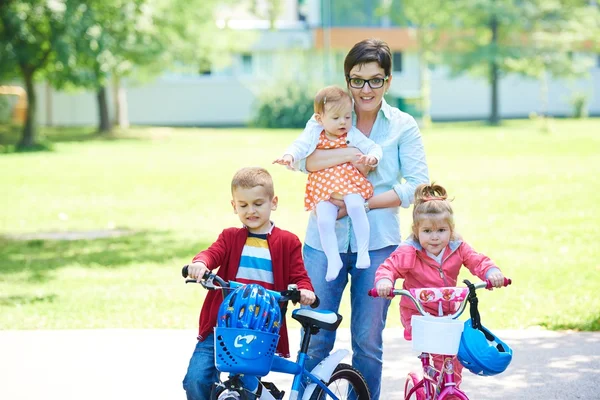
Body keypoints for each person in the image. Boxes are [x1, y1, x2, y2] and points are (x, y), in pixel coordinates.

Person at [296, 38, 430, 400]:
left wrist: (363, 204)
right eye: (357, 79)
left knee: (368, 342)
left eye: (375, 79)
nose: (365, 89)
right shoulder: (329, 114)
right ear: (347, 80)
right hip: (324, 245)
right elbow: (302, 160)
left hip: (378, 244)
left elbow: (417, 186)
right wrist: (351, 152)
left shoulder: (402, 125)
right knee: (315, 337)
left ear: (388, 81)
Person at [182, 166, 316, 400]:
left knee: (245, 387)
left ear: (273, 202)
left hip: (260, 328)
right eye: (243, 205)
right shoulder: (230, 237)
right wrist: (200, 264)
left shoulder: (287, 241)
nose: (251, 211)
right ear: (234, 206)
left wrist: (305, 291)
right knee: (196, 378)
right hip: (222, 327)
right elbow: (212, 253)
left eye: (258, 203)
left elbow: (299, 276)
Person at [374, 183, 506, 395]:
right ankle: (436, 388)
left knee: (456, 357)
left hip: (449, 313)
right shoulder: (409, 251)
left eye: (441, 231)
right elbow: (389, 267)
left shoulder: (457, 247)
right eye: (427, 231)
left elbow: (477, 261)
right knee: (437, 355)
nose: (434, 237)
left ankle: (450, 391)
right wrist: (385, 282)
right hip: (419, 313)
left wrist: (491, 273)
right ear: (416, 231)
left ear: (451, 230)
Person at [273, 85, 382, 282]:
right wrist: (289, 156)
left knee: (356, 206)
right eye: (336, 118)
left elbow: (372, 146)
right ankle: (333, 259)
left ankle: (363, 251)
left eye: (347, 117)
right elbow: (300, 146)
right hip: (324, 187)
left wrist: (373, 157)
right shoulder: (314, 132)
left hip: (350, 182)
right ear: (319, 118)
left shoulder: (352, 134)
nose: (343, 122)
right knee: (324, 220)